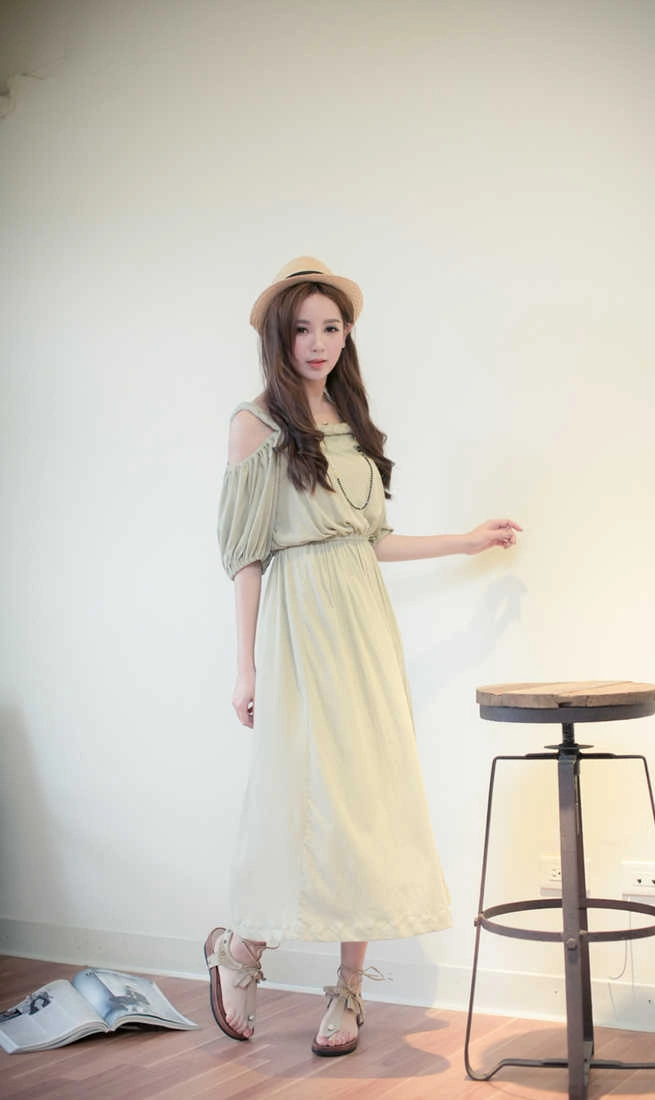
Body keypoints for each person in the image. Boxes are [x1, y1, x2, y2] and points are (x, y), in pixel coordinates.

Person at [205, 257, 522, 1056]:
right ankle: (242, 949)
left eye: (331, 328)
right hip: (300, 623)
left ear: (347, 336)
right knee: (300, 795)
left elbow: (370, 540)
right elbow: (246, 555)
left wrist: (465, 541)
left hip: (364, 627)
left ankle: (348, 990)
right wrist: (244, 667)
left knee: (369, 798)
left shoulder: (351, 421)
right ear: (278, 338)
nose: (317, 343)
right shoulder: (255, 423)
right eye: (302, 329)